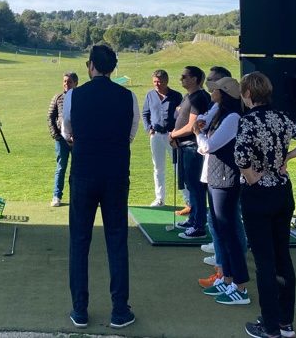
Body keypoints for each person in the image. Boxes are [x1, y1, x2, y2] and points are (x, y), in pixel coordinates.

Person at [235, 72, 296, 338]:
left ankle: (270, 326)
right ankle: (285, 322)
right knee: (283, 256)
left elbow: (240, 155)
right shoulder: (282, 118)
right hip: (282, 193)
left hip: (258, 195)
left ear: (248, 94)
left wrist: (251, 176)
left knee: (265, 262)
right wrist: (288, 156)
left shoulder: (248, 121)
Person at [62, 44, 140, 330]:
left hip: (83, 173)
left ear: (91, 65)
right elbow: (131, 134)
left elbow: (67, 131)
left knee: (79, 242)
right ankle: (119, 310)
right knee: (117, 242)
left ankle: (79, 310)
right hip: (116, 175)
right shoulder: (128, 96)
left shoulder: (73, 95)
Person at [195, 77, 250, 306]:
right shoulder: (220, 112)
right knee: (220, 229)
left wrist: (199, 135)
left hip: (226, 179)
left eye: (215, 90)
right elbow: (203, 122)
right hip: (216, 178)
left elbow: (208, 146)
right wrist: (201, 128)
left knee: (229, 234)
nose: (211, 92)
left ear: (223, 93)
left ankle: (240, 286)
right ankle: (227, 278)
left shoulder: (232, 118)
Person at [169, 66, 210, 239]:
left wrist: (173, 134)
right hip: (184, 146)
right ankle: (193, 219)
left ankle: (199, 225)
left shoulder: (199, 97)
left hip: (192, 147)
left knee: (196, 187)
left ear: (195, 79)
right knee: (190, 185)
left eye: (185, 76)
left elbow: (191, 126)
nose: (181, 79)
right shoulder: (189, 96)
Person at [141, 69, 182, 207]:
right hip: (156, 136)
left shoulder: (176, 96)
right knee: (158, 168)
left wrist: (177, 133)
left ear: (166, 81)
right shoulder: (150, 95)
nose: (157, 84)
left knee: (178, 167)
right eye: (154, 82)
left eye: (159, 81)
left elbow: (181, 116)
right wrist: (149, 129)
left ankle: (187, 199)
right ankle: (159, 199)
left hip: (172, 135)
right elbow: (145, 113)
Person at [47, 72, 79, 207]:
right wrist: (57, 136)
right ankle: (56, 196)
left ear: (76, 83)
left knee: (77, 169)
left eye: (69, 81)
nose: (66, 84)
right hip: (61, 140)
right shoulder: (58, 97)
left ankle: (76, 197)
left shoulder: (81, 97)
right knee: (61, 167)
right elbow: (50, 117)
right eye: (65, 81)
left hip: (78, 140)